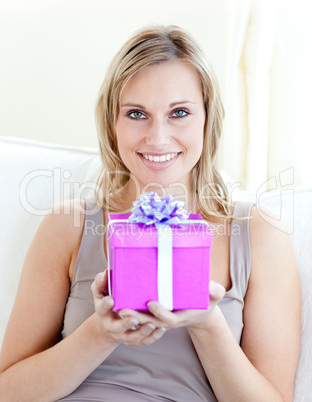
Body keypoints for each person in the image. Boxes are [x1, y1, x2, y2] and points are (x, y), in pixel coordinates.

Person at [0, 25, 300, 401]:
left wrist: (207, 324)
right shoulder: (69, 226)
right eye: (137, 113)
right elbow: (8, 391)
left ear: (208, 121)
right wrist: (100, 333)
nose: (157, 137)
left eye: (179, 112)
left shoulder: (259, 233)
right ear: (113, 123)